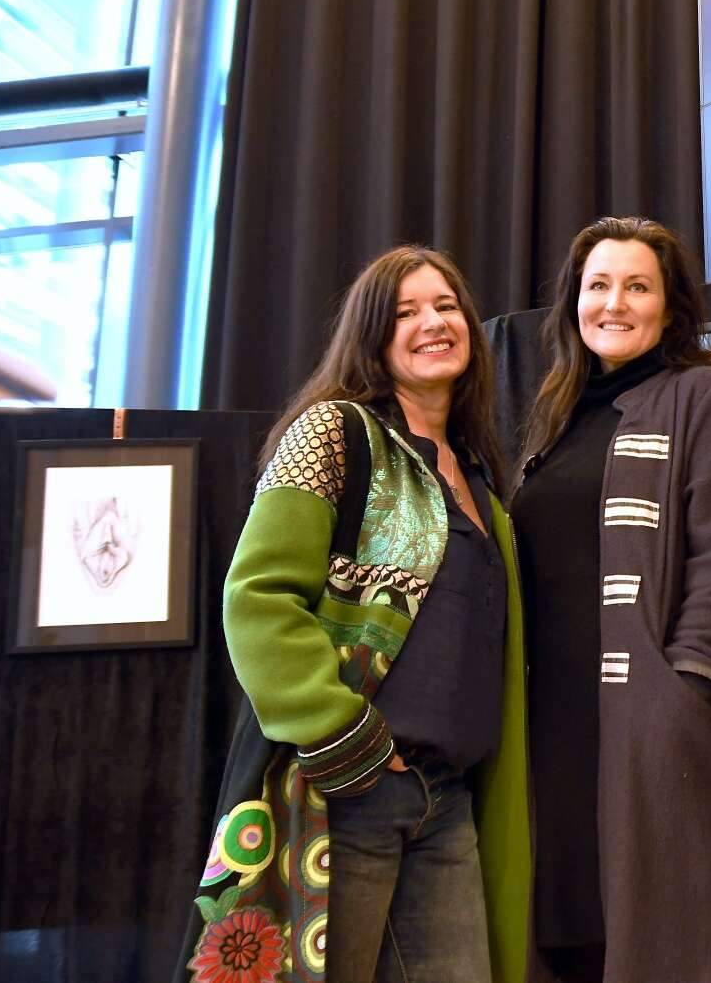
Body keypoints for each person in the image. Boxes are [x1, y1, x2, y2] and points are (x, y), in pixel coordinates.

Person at [179, 246, 531, 983]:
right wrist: (345, 739)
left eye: (446, 306)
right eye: (405, 312)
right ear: (372, 336)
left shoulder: (476, 472)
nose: (433, 322)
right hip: (346, 790)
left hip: (447, 799)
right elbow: (257, 596)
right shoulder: (333, 432)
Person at [509, 216, 711, 982]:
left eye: (637, 286)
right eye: (598, 285)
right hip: (552, 736)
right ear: (574, 301)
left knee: (671, 944)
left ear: (670, 305)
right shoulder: (555, 418)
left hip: (650, 731)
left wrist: (687, 693)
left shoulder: (706, 395)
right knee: (572, 942)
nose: (614, 303)